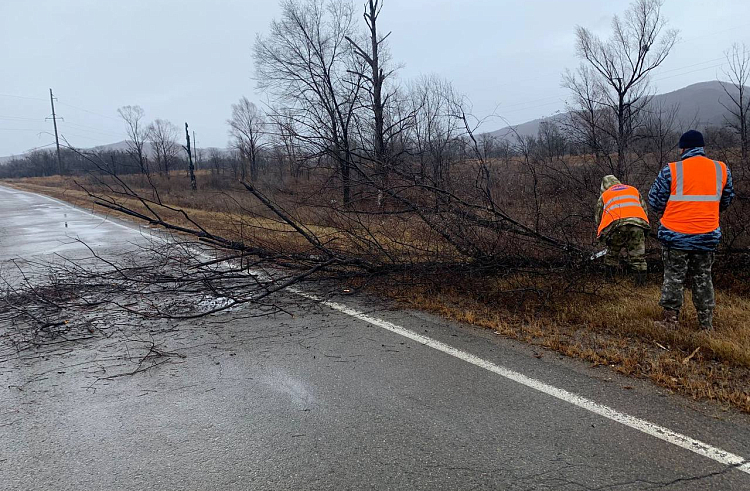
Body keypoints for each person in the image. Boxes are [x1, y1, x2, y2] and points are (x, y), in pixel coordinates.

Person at [648, 130, 734, 330]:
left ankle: (670, 321)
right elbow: (726, 199)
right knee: (703, 278)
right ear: (702, 148)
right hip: (706, 235)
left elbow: (654, 201)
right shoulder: (722, 169)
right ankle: (706, 325)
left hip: (675, 235)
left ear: (683, 148)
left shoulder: (671, 170)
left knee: (674, 278)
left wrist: (671, 211)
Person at [596, 175, 650, 285]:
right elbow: (644, 209)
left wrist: (603, 233)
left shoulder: (605, 195)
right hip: (637, 225)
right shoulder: (633, 190)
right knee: (638, 256)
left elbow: (599, 217)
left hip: (616, 227)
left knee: (612, 255)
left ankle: (609, 281)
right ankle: (641, 284)